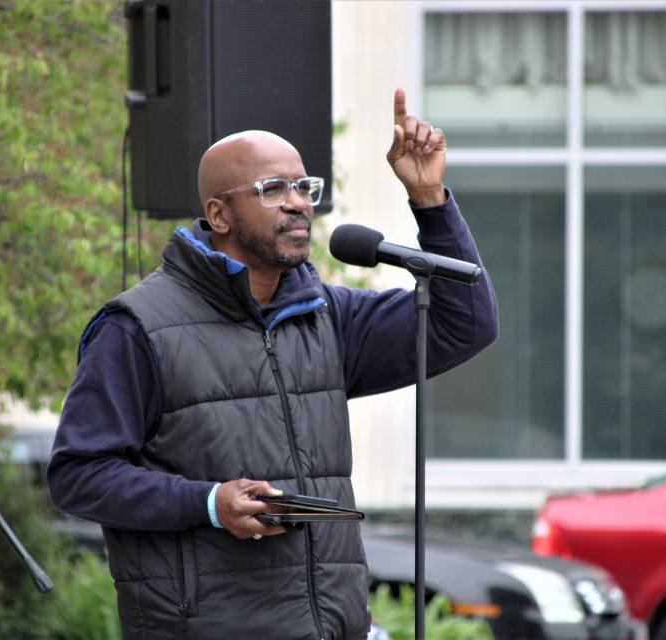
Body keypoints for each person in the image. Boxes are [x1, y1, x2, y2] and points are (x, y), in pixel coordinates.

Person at [47, 88, 499, 640]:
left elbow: (465, 324)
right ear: (218, 214)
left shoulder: (326, 316)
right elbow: (78, 476)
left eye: (304, 187)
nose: (298, 202)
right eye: (273, 189)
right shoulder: (137, 327)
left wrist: (429, 198)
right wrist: (208, 503)